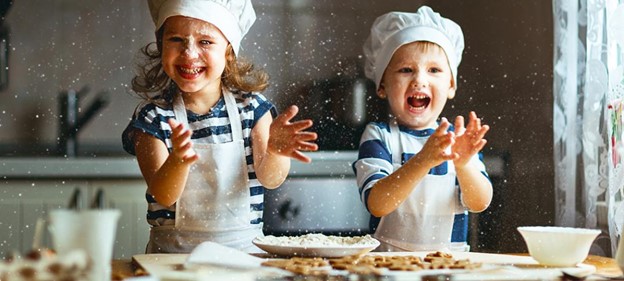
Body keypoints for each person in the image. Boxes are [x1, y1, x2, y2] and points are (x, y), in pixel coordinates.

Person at [122, 0, 318, 253]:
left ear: (228, 51)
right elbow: (164, 195)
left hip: (244, 257)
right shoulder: (154, 118)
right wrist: (178, 162)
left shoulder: (252, 109)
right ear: (160, 46)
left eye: (205, 42)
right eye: (176, 40)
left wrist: (275, 152)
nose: (189, 53)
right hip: (172, 260)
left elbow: (270, 180)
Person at [353, 6, 493, 252]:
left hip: (449, 266)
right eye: (406, 70)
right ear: (382, 85)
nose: (419, 80)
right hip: (388, 266)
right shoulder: (379, 136)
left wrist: (463, 164)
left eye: (434, 70)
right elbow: (377, 203)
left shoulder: (458, 141)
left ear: (451, 85)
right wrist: (423, 161)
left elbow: (479, 202)